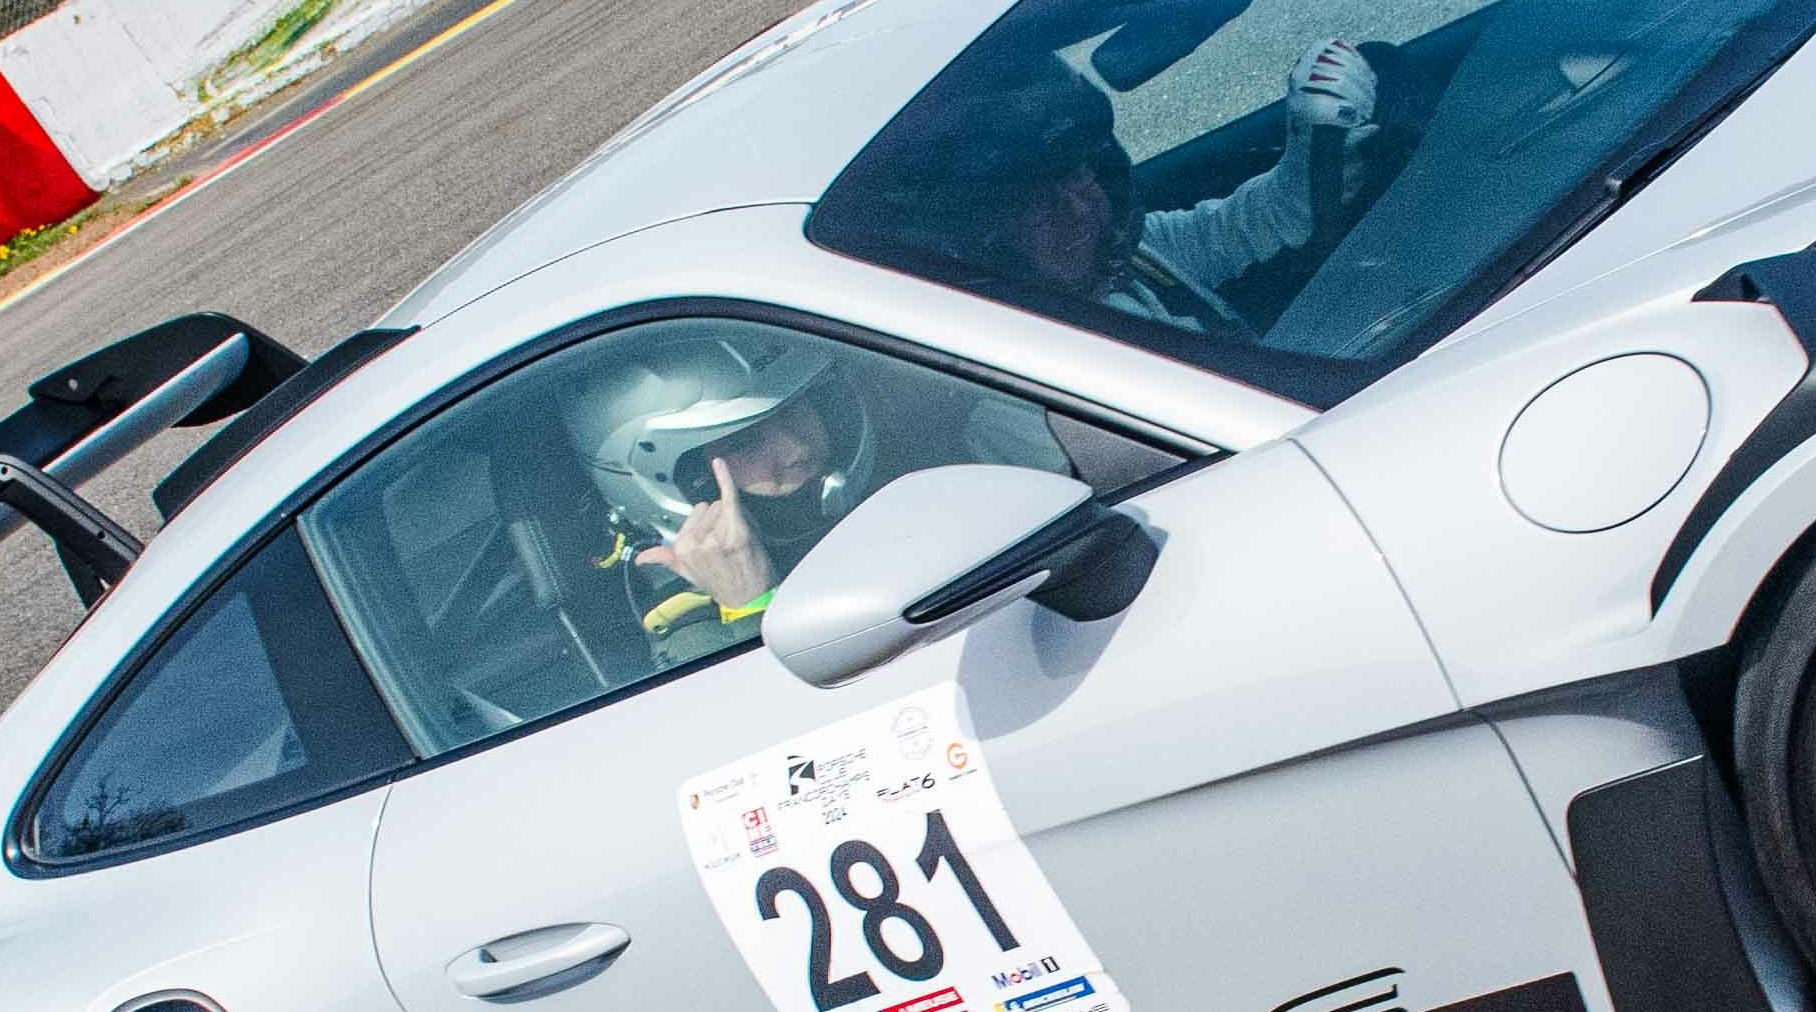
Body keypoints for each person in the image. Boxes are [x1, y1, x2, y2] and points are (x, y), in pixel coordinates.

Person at [924, 37, 1384, 341]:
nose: (1081, 213)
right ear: (983, 238)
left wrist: (1317, 142)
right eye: (1039, 213)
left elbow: (1250, 222)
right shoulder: (1023, 388)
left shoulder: (1133, 254)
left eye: (1081, 177)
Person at [561, 328, 878, 640]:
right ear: (686, 481)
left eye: (793, 410)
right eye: (745, 442)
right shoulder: (694, 639)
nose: (796, 447)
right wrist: (752, 607)